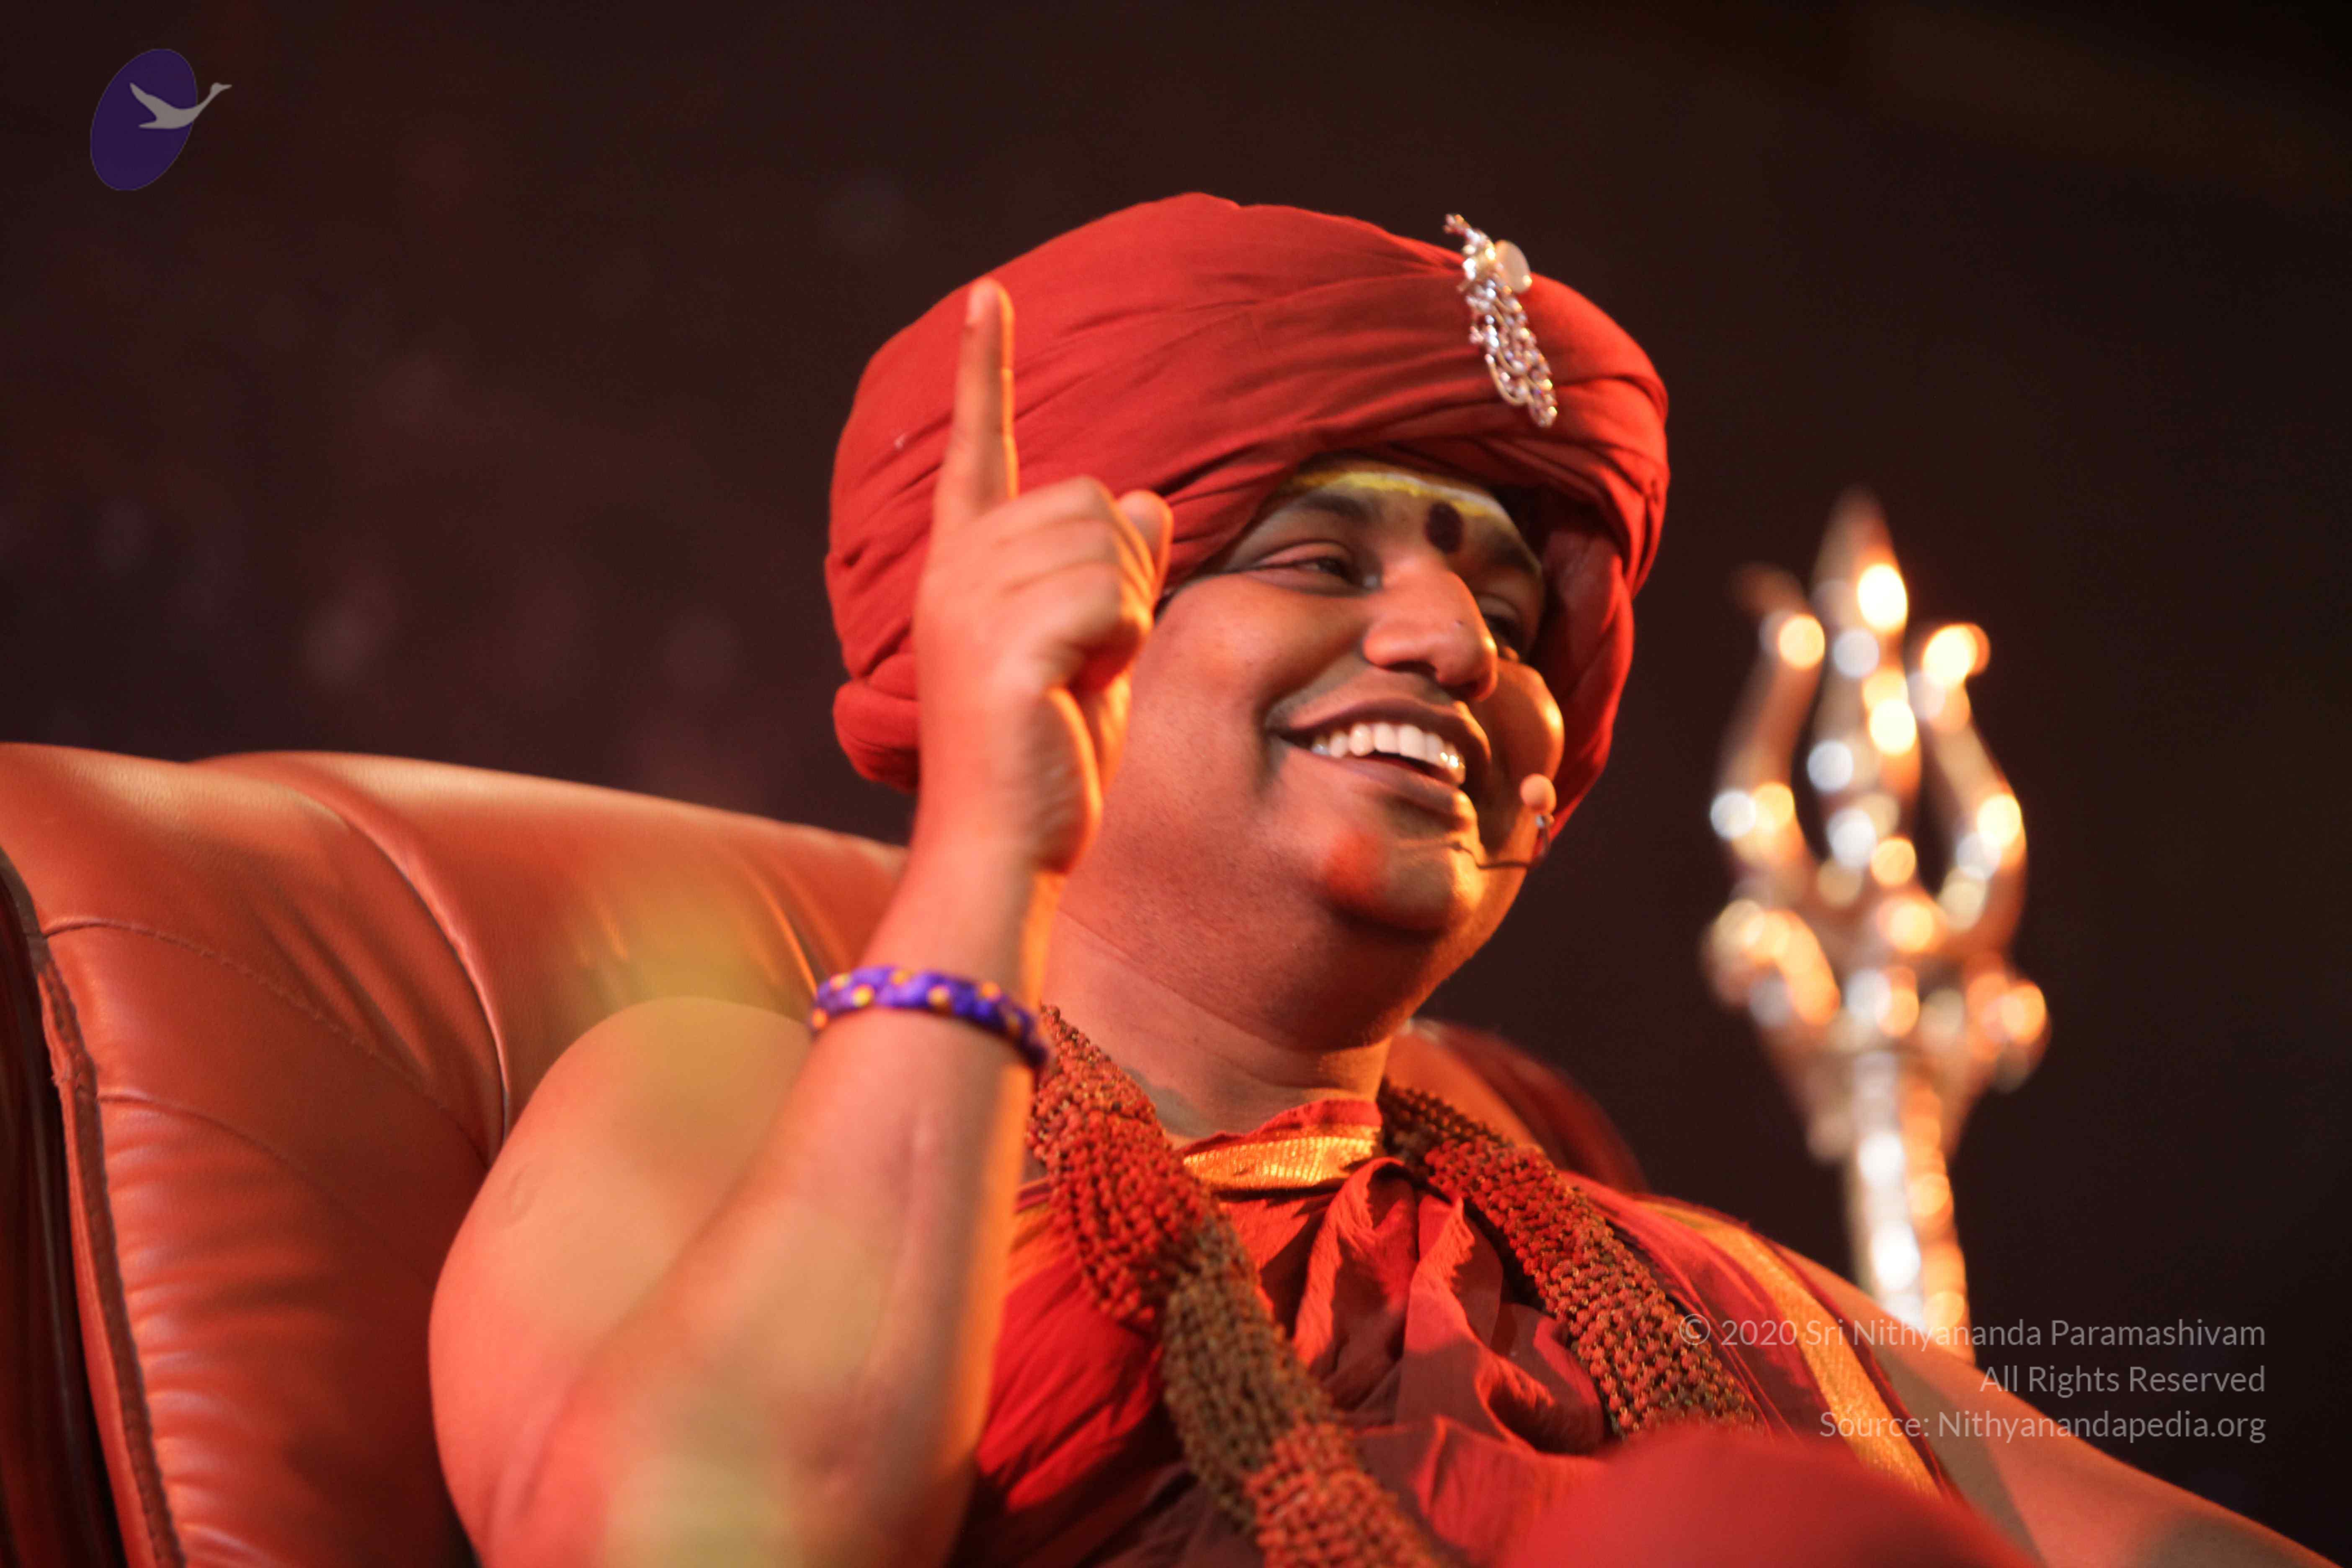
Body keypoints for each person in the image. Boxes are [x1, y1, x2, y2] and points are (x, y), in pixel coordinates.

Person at [426, 196, 2329, 1567]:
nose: (1455, 645)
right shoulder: (716, 1095)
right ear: (1048, 638)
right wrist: (990, 848)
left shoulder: (1658, 1274)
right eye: (1322, 565)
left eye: (1511, 609)